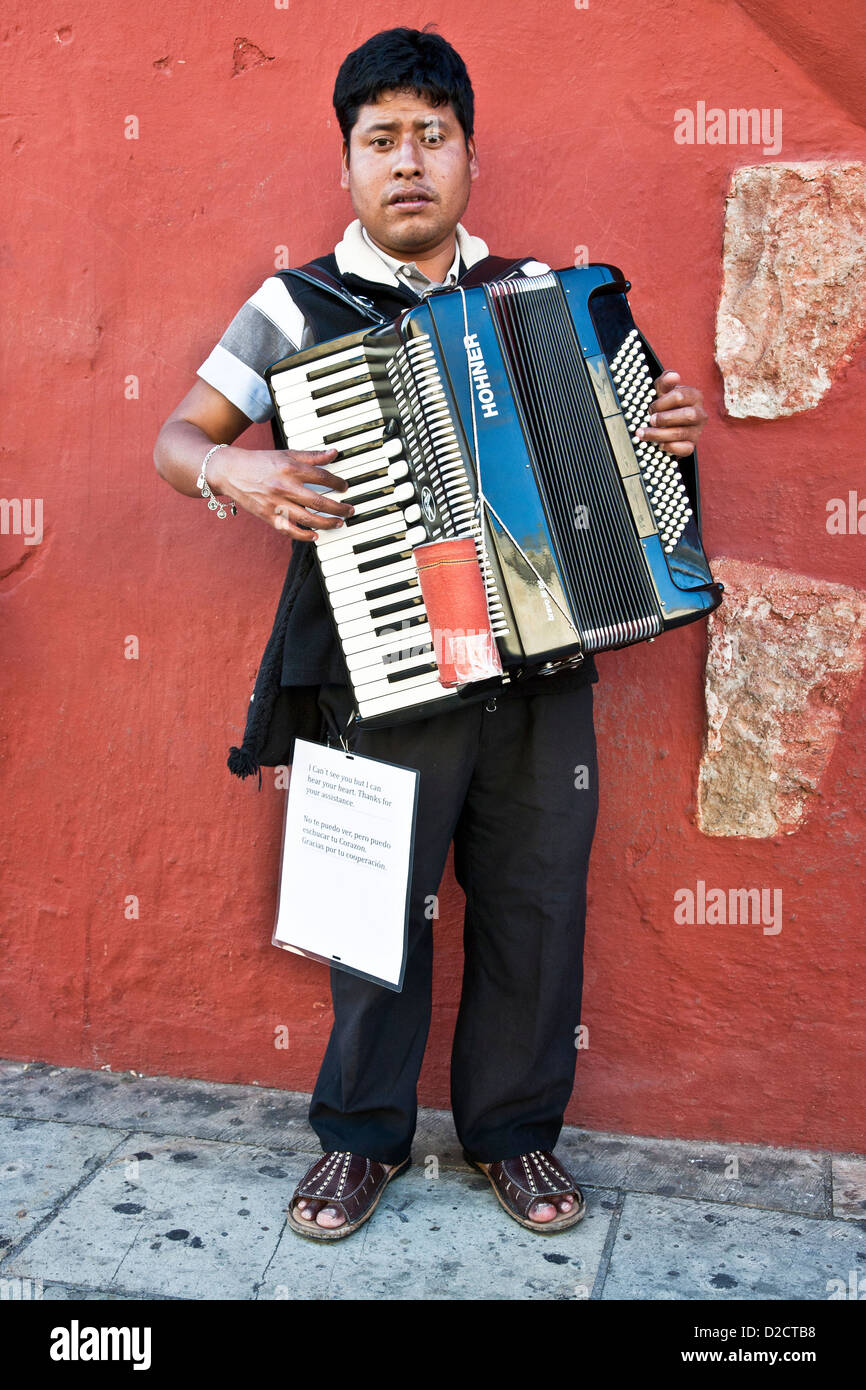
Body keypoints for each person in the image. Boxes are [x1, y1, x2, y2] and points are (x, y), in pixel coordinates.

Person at [153, 26, 707, 1240]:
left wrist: (659, 437)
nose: (407, 161)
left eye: (431, 137)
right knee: (373, 918)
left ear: (467, 156)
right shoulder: (292, 305)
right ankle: (360, 1139)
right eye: (379, 140)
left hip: (538, 668)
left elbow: (632, 445)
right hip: (379, 668)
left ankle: (512, 1136)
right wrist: (234, 480)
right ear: (346, 164)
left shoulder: (546, 300)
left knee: (533, 907)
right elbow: (176, 440)